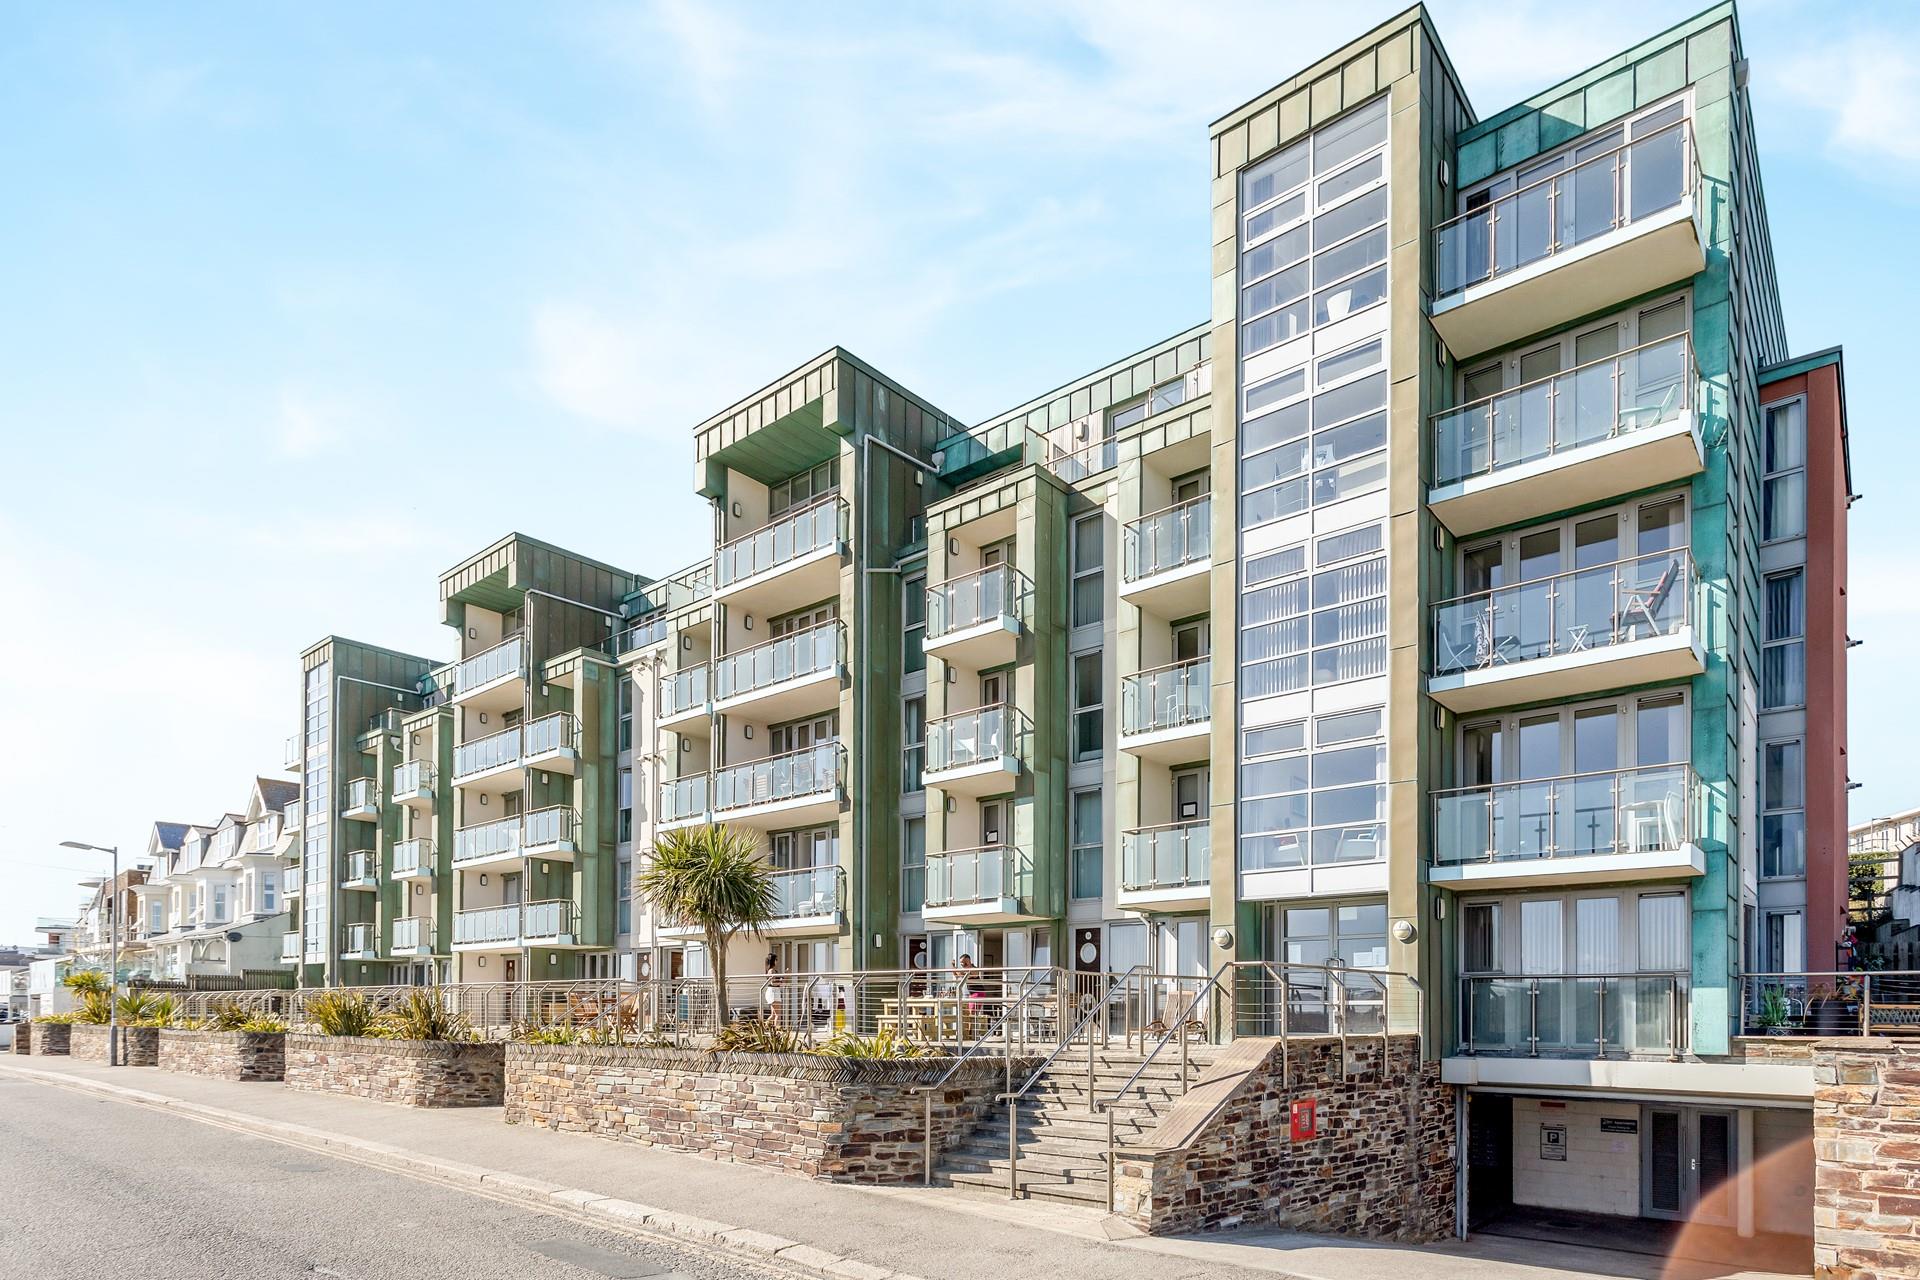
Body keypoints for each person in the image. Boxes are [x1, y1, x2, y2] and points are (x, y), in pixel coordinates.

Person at [762, 955, 782, 1026]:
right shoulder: (771, 970)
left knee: (773, 1014)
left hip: (775, 991)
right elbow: (773, 982)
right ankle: (777, 1030)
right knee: (777, 1015)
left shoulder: (773, 970)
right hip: (773, 992)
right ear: (773, 961)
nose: (777, 961)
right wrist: (781, 982)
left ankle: (763, 1027)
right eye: (776, 959)